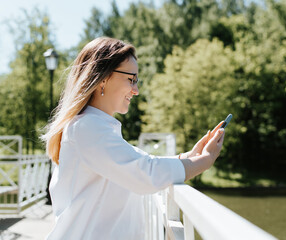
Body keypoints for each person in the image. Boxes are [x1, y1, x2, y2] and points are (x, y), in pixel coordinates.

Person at [41, 37, 225, 240]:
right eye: (132, 79)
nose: (136, 90)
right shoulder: (87, 127)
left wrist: (191, 155)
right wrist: (205, 161)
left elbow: (140, 164)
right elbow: (146, 174)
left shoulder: (95, 128)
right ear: (103, 77)